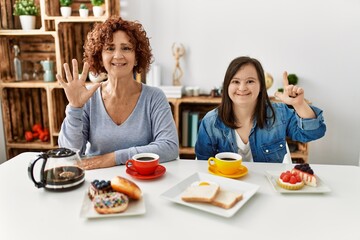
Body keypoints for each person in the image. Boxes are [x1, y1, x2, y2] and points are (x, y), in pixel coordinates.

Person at [57, 16, 179, 170]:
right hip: (96, 181)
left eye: (126, 48)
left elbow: (169, 147)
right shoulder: (89, 98)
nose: (118, 55)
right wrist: (75, 107)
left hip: (142, 181)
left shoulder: (154, 97)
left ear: (136, 57)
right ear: (100, 58)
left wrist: (113, 158)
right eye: (110, 48)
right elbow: (69, 154)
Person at [195, 56, 326, 163]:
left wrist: (299, 104)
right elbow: (203, 165)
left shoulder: (279, 114)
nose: (242, 88)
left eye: (250, 81)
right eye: (235, 81)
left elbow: (314, 133)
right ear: (227, 85)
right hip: (228, 188)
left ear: (261, 86)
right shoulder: (210, 122)